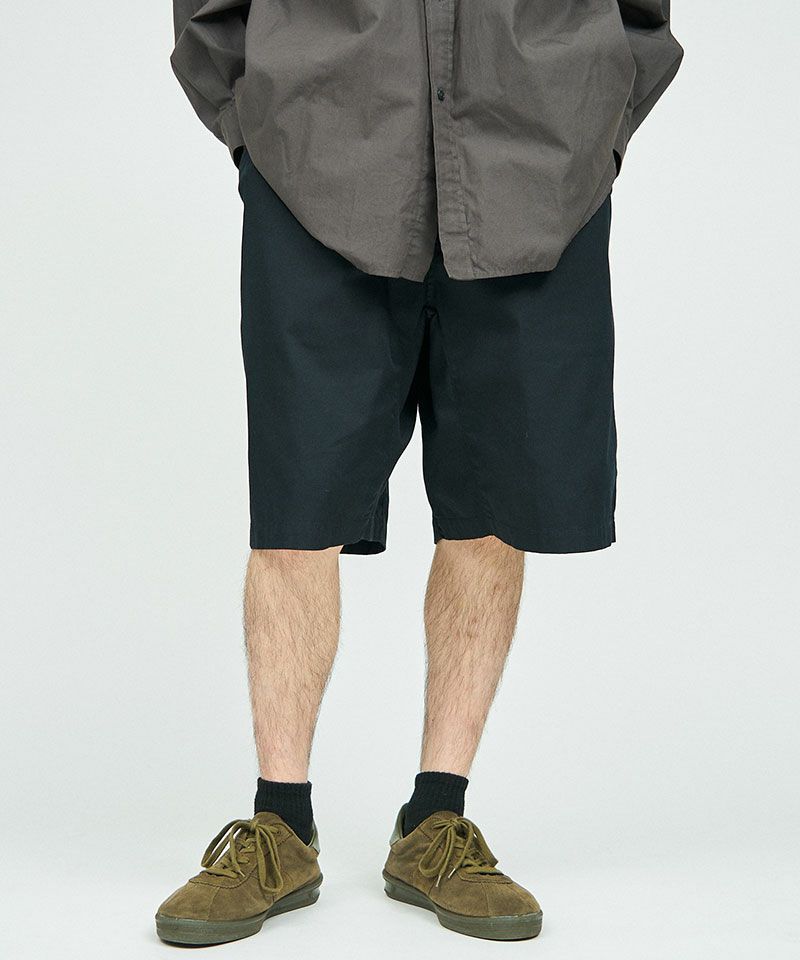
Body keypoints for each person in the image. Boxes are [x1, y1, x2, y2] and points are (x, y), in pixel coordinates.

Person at [156, 1, 683, 945]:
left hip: (535, 173)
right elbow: (208, 14)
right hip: (319, 163)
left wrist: (592, 128)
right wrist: (256, 127)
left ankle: (438, 817)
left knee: (494, 503)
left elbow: (643, 14)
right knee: (295, 506)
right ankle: (280, 826)